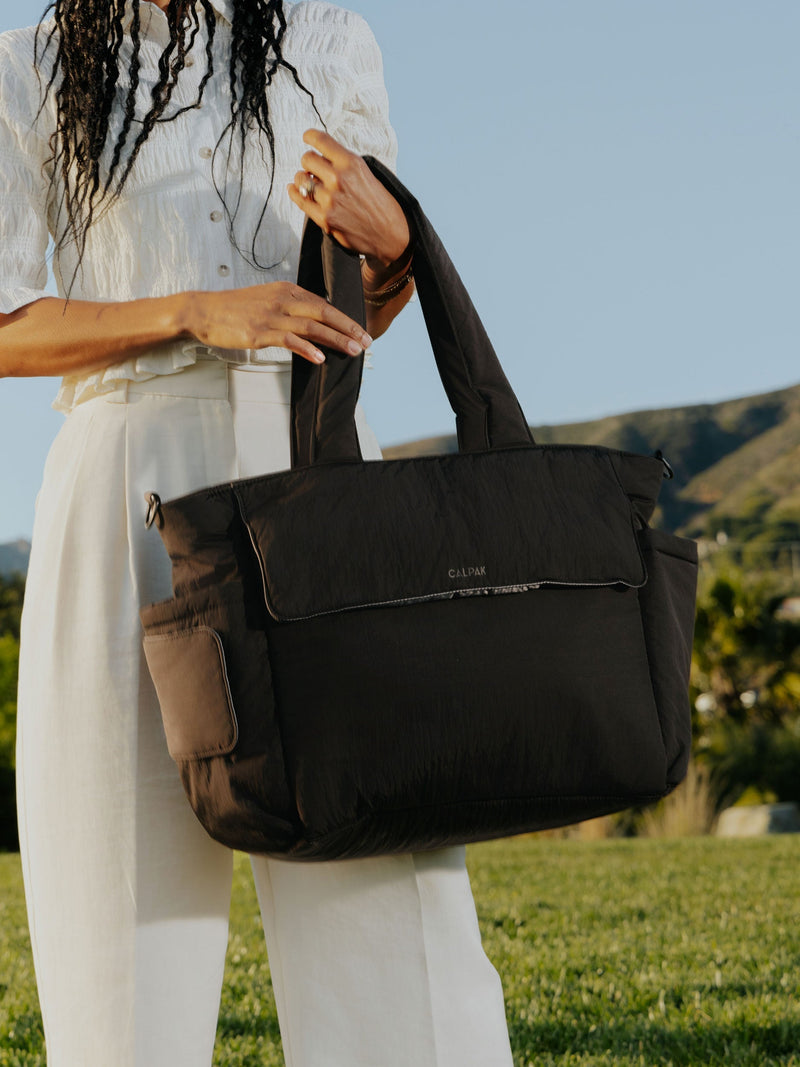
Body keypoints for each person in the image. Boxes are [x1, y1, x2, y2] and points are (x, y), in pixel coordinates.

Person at [0, 1, 515, 1064]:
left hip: (313, 469)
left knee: (390, 918)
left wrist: (400, 245)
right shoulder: (30, 64)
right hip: (123, 485)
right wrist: (193, 308)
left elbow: (351, 315)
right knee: (120, 942)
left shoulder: (329, 40)